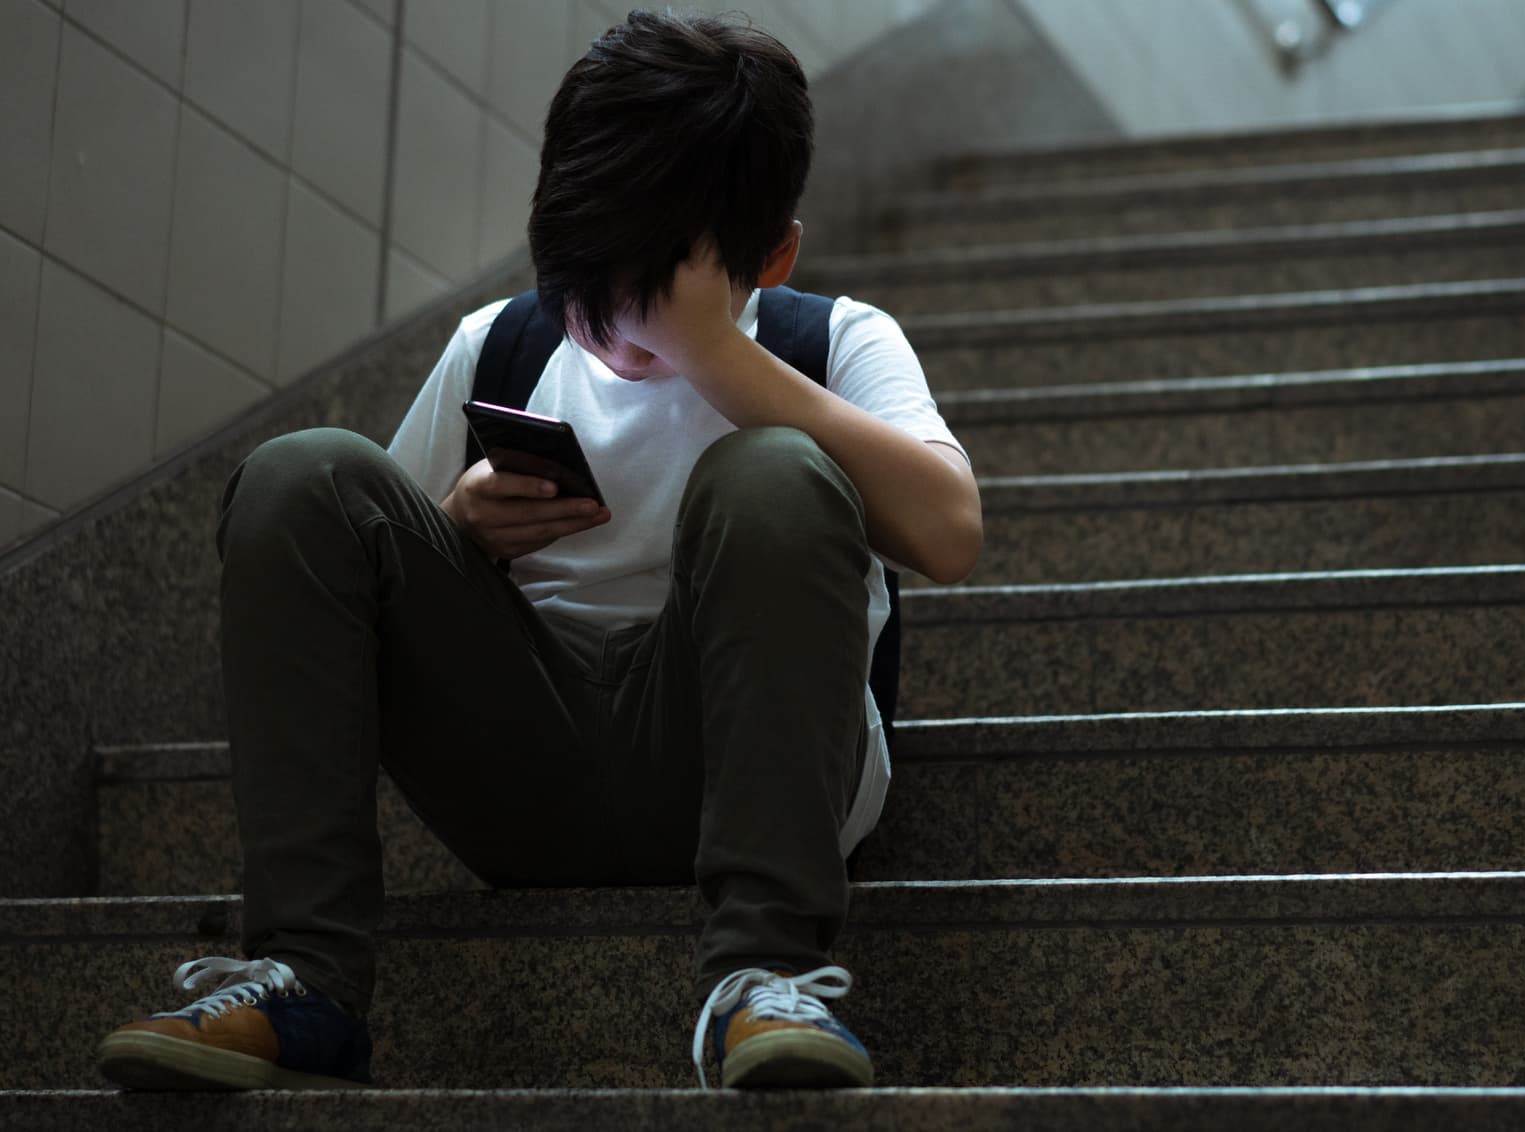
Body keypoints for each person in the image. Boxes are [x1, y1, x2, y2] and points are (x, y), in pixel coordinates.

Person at [95, 9, 980, 1092]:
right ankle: (307, 978)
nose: (607, 330)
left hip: (749, 765)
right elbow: (332, 580)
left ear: (772, 256)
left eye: (647, 299)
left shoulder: (834, 342)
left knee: (775, 475)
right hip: (523, 768)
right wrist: (461, 529)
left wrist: (718, 359)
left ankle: (764, 972)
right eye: (584, 290)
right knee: (299, 473)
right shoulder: (506, 345)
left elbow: (948, 529)